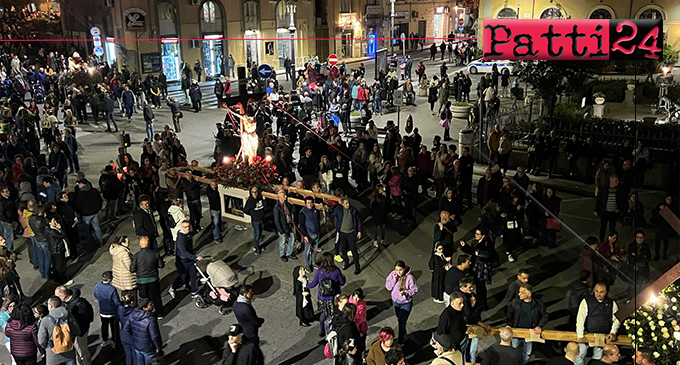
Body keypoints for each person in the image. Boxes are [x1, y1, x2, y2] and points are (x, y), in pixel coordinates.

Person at [575, 283, 620, 365]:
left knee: (598, 357)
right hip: (587, 334)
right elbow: (580, 318)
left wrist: (613, 332)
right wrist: (580, 335)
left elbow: (617, 319)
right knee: (580, 353)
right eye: (596, 291)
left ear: (606, 292)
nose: (598, 294)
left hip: (602, 336)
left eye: (601, 292)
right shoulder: (586, 301)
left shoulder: (611, 303)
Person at [506, 284, 549, 364]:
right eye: (519, 292)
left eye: (521, 292)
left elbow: (545, 315)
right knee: (513, 350)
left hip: (530, 332)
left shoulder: (538, 304)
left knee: (527, 353)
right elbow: (509, 314)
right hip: (516, 331)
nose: (519, 294)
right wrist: (509, 324)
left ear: (529, 294)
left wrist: (539, 326)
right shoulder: (515, 302)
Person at [307, 252, 346, 337]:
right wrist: (343, 277)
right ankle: (332, 330)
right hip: (333, 297)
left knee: (323, 314)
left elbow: (313, 283)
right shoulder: (336, 271)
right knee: (332, 314)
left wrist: (306, 285)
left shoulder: (320, 271)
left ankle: (322, 331)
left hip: (322, 297)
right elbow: (342, 283)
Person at [55, 286, 94, 365]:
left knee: (82, 351)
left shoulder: (80, 304)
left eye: (57, 297)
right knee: (76, 352)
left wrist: (77, 332)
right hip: (72, 333)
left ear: (63, 296)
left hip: (79, 333)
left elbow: (84, 321)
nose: (56, 299)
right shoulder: (65, 303)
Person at [38, 296, 81, 365]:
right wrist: (68, 339)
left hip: (53, 353)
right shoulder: (68, 315)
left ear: (51, 306)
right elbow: (77, 331)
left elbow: (41, 340)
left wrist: (48, 346)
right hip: (68, 349)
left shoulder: (45, 320)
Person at [131, 236, 165, 318]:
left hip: (141, 281)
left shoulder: (136, 256)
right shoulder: (155, 253)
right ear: (148, 244)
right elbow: (161, 265)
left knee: (143, 298)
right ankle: (159, 313)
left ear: (140, 244)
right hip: (153, 279)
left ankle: (145, 313)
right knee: (156, 296)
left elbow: (132, 269)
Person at [385, 260, 418, 344]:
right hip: (395, 302)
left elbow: (414, 289)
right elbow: (388, 287)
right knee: (399, 319)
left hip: (406, 303)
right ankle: (404, 334)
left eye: (400, 270)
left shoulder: (410, 277)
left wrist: (406, 292)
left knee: (401, 323)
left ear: (404, 269)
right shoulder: (393, 274)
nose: (398, 272)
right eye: (396, 270)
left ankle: (400, 341)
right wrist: (394, 279)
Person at [122, 298, 162, 365]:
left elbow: (126, 328)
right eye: (150, 305)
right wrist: (158, 346)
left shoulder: (132, 315)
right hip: (148, 347)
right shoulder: (150, 319)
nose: (152, 305)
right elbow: (154, 336)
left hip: (137, 345)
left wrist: (135, 337)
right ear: (144, 308)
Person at [170, 221, 203, 298]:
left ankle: (194, 291)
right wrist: (195, 257)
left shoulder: (188, 234)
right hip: (183, 260)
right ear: (181, 227)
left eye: (188, 226)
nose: (187, 228)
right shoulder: (180, 239)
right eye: (185, 227)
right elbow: (183, 252)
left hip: (189, 259)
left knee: (193, 275)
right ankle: (173, 288)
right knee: (183, 277)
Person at [330, 197, 362, 275]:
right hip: (342, 233)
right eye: (346, 203)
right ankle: (346, 262)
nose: (348, 205)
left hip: (351, 233)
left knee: (353, 249)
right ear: (342, 204)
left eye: (348, 203)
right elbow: (331, 214)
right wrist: (327, 209)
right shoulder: (339, 210)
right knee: (343, 249)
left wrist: (359, 231)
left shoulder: (353, 210)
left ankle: (357, 267)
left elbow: (358, 220)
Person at [594, 175, 626, 242]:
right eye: (616, 181)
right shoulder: (604, 189)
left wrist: (620, 209)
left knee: (612, 228)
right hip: (605, 212)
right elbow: (599, 200)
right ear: (611, 181)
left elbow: (622, 200)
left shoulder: (619, 190)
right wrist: (596, 209)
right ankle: (601, 240)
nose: (618, 182)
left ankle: (612, 241)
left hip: (614, 212)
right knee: (603, 227)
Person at [92, 271, 120, 347]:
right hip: (111, 311)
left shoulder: (97, 286)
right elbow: (116, 301)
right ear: (110, 279)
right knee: (114, 327)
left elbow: (95, 295)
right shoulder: (112, 289)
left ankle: (105, 340)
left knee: (104, 326)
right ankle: (115, 341)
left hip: (102, 310)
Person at [73, 179, 103, 247]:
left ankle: (88, 243)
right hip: (95, 213)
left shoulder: (80, 194)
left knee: (86, 229)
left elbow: (78, 204)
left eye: (79, 184)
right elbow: (99, 200)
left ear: (83, 184)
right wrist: (98, 209)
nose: (78, 185)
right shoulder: (94, 190)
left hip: (85, 214)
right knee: (97, 227)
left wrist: (79, 212)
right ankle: (100, 241)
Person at [299, 196, 323, 272]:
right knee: (307, 251)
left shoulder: (315, 210)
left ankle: (313, 262)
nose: (310, 204)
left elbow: (318, 219)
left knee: (314, 249)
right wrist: (305, 236)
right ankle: (307, 265)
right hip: (309, 235)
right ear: (305, 203)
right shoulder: (302, 212)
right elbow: (301, 225)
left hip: (316, 233)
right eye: (308, 203)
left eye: (311, 202)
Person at [650, 194, 677, 260]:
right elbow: (653, 212)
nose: (669, 200)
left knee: (666, 241)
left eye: (670, 199)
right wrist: (659, 208)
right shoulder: (661, 205)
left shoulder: (673, 207)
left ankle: (664, 255)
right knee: (657, 241)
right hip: (659, 226)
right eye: (667, 199)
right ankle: (657, 255)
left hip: (667, 227)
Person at [273, 189, 297, 262]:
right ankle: (282, 254)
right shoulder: (277, 208)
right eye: (284, 196)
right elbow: (277, 221)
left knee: (292, 239)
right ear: (279, 197)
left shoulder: (286, 204)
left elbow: (293, 211)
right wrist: (281, 231)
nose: (285, 197)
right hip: (283, 227)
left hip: (289, 224)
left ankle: (289, 253)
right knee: (282, 242)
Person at [626, 230, 651, 297]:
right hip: (633, 268)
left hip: (642, 269)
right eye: (638, 237)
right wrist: (641, 257)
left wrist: (636, 256)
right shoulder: (631, 246)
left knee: (639, 285)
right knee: (632, 284)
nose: (639, 239)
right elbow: (631, 257)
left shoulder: (645, 246)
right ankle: (630, 297)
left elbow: (648, 258)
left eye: (641, 237)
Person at [243, 187, 264, 255]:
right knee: (257, 235)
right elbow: (245, 210)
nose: (254, 194)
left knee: (260, 233)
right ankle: (256, 247)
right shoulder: (250, 201)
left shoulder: (260, 198)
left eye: (256, 192)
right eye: (253, 192)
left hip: (262, 219)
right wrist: (252, 214)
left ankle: (258, 245)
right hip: (255, 220)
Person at [117, 291, 137, 365]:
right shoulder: (133, 311)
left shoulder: (119, 309)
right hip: (132, 335)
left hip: (123, 334)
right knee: (135, 355)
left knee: (128, 355)